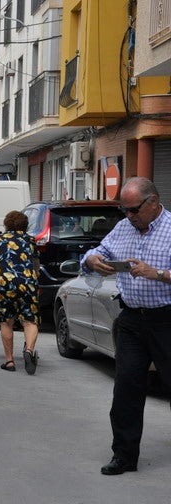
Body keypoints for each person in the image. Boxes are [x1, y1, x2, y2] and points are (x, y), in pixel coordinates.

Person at [81, 177, 171, 476]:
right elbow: (97, 252)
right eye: (125, 210)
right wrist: (93, 260)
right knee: (126, 390)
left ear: (153, 202)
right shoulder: (123, 228)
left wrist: (157, 273)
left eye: (133, 210)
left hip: (166, 320)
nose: (129, 216)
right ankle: (124, 456)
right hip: (131, 319)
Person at [0, 210, 40, 374]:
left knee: (6, 321)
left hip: (4, 283)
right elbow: (35, 262)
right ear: (25, 226)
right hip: (27, 283)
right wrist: (36, 274)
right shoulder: (30, 240)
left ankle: (9, 361)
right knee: (30, 321)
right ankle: (29, 350)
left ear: (6, 224)